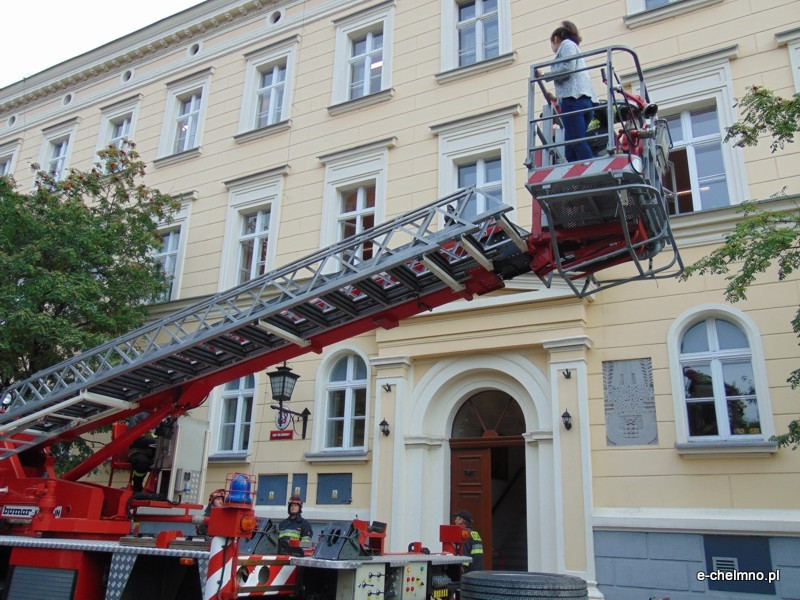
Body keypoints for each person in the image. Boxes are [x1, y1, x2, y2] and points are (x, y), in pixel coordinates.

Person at [535, 21, 598, 162]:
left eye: (552, 45)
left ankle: (591, 168)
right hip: (584, 100)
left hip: (574, 100)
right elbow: (572, 78)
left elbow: (568, 68)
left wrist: (545, 76)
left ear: (556, 39)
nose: (553, 49)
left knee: (577, 140)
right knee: (570, 147)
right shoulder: (574, 48)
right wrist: (557, 98)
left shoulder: (566, 45)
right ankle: (576, 178)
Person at [127, 411, 158, 493]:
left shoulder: (165, 417)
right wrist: (152, 441)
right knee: (142, 461)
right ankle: (137, 484)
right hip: (138, 451)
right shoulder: (139, 416)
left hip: (156, 453)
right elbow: (132, 437)